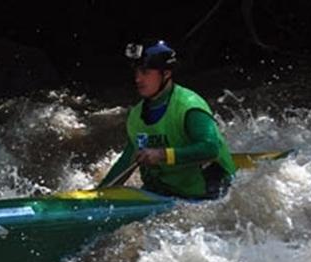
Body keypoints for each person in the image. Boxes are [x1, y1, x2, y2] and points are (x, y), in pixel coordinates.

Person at [99, 40, 236, 199]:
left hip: (207, 189)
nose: (138, 79)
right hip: (166, 191)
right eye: (136, 72)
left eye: (145, 72)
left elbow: (210, 149)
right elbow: (126, 162)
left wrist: (163, 155)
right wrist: (99, 194)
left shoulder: (189, 106)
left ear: (166, 73)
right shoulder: (136, 115)